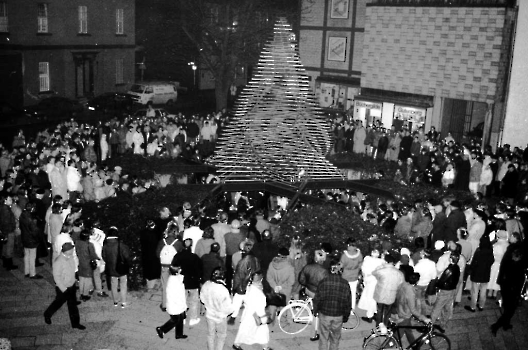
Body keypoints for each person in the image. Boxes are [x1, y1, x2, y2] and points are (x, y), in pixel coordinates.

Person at [44, 242, 86, 330]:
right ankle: (47, 314)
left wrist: (74, 280)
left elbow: (72, 270)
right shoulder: (58, 262)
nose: (73, 250)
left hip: (71, 285)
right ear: (67, 251)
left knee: (73, 305)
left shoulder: (70, 257)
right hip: (63, 288)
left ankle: (75, 324)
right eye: (71, 249)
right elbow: (57, 277)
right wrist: (64, 289)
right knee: (58, 303)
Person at [312, 260, 352, 350]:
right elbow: (348, 303)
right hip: (338, 315)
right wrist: (346, 316)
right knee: (335, 338)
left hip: (325, 314)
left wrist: (316, 311)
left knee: (323, 337)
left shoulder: (323, 282)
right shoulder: (345, 284)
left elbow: (317, 298)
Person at [232, 271, 272, 350]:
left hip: (253, 313)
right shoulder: (254, 290)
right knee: (247, 330)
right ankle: (237, 344)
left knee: (261, 330)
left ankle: (265, 347)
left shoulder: (250, 287)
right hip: (254, 314)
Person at [490, 248, 525, 336]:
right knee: (509, 312)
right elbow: (519, 283)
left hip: (506, 291)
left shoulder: (508, 264)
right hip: (512, 293)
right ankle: (496, 326)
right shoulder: (519, 268)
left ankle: (506, 325)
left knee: (508, 310)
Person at [394, 269, 430, 346]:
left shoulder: (403, 284)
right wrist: (424, 318)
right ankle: (388, 344)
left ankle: (414, 345)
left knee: (408, 330)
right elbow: (413, 310)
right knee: (398, 334)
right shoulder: (411, 292)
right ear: (416, 282)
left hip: (400, 309)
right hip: (405, 314)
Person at [200, 267, 233, 350]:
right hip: (220, 317)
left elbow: (202, 299)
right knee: (221, 336)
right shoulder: (224, 290)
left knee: (210, 334)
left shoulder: (206, 284)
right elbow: (228, 308)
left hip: (209, 315)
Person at [172, 238, 203, 326]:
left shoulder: (178, 256)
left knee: (182, 300)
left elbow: (173, 267)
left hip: (181, 282)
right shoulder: (195, 257)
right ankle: (193, 318)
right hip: (193, 282)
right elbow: (200, 270)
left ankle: (182, 318)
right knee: (193, 301)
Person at [102, 226, 133, 308]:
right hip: (121, 268)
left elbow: (104, 256)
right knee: (123, 284)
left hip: (111, 268)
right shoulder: (121, 245)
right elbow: (127, 256)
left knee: (113, 284)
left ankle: (115, 301)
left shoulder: (105, 245)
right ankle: (123, 302)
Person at [155, 264, 188, 339]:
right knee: (175, 320)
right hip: (175, 305)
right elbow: (177, 295)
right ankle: (161, 329)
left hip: (178, 304)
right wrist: (183, 305)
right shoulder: (174, 281)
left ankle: (179, 334)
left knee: (180, 318)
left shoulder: (174, 278)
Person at [431, 252, 460, 333]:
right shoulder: (457, 268)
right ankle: (443, 325)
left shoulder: (449, 269)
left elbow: (441, 281)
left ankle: (430, 326)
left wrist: (436, 285)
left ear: (451, 259)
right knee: (447, 309)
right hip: (452, 290)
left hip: (445, 291)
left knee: (436, 308)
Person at [265, 247, 295, 326]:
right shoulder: (289, 267)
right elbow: (291, 281)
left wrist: (275, 286)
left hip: (274, 289)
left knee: (272, 306)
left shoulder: (272, 264)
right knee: (283, 308)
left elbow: (269, 277)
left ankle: (271, 324)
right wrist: (281, 287)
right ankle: (282, 323)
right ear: (287, 256)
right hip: (285, 291)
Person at [372, 253, 404, 326]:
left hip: (380, 294)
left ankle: (378, 326)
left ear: (385, 262)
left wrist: (380, 267)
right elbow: (400, 283)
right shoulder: (399, 273)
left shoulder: (381, 270)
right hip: (391, 295)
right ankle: (385, 325)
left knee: (379, 310)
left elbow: (374, 273)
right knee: (388, 312)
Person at [358, 248, 384, 323]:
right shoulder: (380, 261)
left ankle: (371, 315)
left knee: (371, 298)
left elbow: (364, 270)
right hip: (376, 281)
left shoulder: (367, 260)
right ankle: (373, 313)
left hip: (371, 281)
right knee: (373, 298)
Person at [340, 238, 363, 311]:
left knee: (344, 292)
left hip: (345, 276)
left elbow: (341, 265)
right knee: (353, 293)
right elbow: (360, 265)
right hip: (354, 276)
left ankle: (343, 308)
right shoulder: (359, 254)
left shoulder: (344, 255)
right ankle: (352, 309)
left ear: (348, 244)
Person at [139, 219, 162, 291]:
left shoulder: (143, 233)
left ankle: (149, 285)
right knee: (154, 270)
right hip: (155, 255)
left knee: (148, 270)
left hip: (146, 254)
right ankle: (153, 285)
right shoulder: (158, 232)